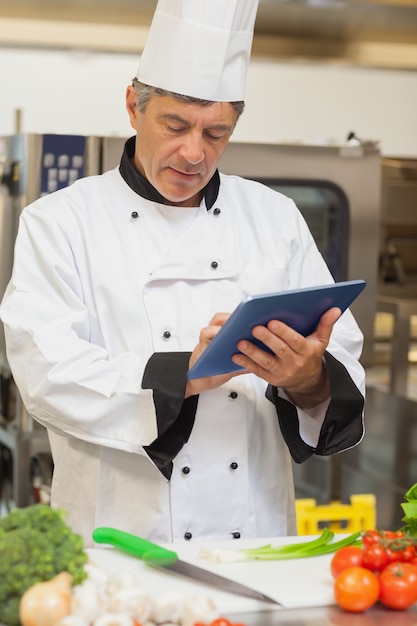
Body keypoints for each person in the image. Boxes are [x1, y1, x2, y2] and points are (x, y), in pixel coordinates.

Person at [0, 0, 365, 547]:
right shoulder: (60, 222)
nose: (194, 153)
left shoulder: (273, 216)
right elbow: (47, 375)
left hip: (256, 543)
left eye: (216, 133)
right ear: (133, 106)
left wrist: (306, 377)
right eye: (176, 125)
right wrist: (185, 375)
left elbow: (343, 357)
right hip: (121, 541)